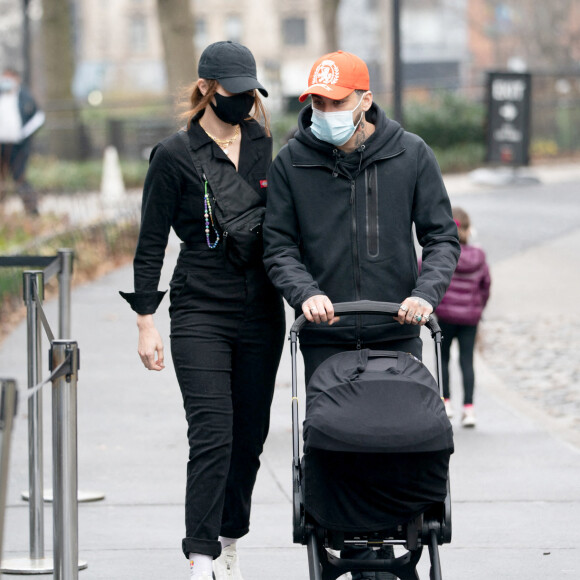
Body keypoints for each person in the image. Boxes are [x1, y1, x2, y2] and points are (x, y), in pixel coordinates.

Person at [262, 50, 460, 580]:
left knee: (396, 442)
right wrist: (304, 294)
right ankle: (339, 533)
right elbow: (279, 247)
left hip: (395, 333)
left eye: (336, 100)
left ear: (365, 99)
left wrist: (426, 293)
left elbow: (441, 238)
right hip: (325, 338)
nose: (324, 109)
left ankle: (403, 523)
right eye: (317, 101)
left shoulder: (412, 155)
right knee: (337, 445)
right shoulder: (292, 163)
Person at [119, 41, 285, 580]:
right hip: (199, 309)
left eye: (250, 93)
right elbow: (150, 245)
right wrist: (146, 322)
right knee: (212, 431)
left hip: (261, 308)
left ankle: (229, 536)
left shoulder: (263, 143)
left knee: (250, 436)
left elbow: (285, 225)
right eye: (234, 92)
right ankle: (201, 555)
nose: (244, 101)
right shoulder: (173, 155)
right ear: (208, 89)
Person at [434, 207, 491, 428]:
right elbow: (486, 286)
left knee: (444, 358)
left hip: (446, 316)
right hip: (470, 318)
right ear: (468, 229)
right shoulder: (479, 257)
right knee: (467, 360)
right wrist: (478, 307)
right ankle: (469, 410)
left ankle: (445, 402)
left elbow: (423, 271)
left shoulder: (443, 254)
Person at [0, 68, 44, 215]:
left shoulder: (25, 97)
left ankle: (32, 210)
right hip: (1, 144)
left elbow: (38, 118)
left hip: (18, 145)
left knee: (19, 177)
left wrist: (24, 134)